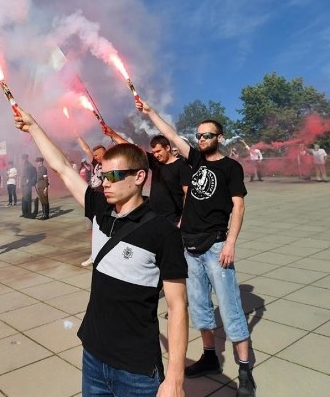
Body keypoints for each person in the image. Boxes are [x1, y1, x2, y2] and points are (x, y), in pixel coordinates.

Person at [14, 106, 188, 397]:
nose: (105, 183)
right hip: (93, 356)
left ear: (140, 177)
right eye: (104, 175)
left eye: (115, 175)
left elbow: (177, 307)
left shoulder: (163, 232)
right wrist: (33, 126)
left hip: (136, 370)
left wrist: (175, 380)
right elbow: (62, 167)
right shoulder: (100, 211)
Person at [138, 100, 257, 397]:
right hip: (189, 246)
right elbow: (173, 134)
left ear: (219, 137)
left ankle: (244, 370)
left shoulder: (231, 167)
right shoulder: (195, 161)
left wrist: (230, 242)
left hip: (217, 246)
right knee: (201, 307)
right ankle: (209, 357)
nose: (201, 139)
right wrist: (150, 112)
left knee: (230, 308)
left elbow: (238, 206)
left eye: (207, 135)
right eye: (199, 135)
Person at [104, 126, 192, 225]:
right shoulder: (155, 162)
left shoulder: (182, 166)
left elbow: (189, 196)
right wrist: (113, 134)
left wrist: (182, 220)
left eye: (159, 151)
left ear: (167, 148)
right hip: (152, 216)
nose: (156, 155)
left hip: (173, 219)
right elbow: (133, 149)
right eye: (154, 152)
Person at [77, 138, 107, 267]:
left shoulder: (111, 165)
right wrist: (78, 137)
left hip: (104, 200)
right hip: (93, 197)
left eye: (96, 155)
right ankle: (94, 254)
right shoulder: (95, 164)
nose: (94, 157)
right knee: (90, 226)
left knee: (103, 228)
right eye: (94, 155)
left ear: (103, 154)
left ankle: (104, 254)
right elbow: (86, 149)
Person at [20, 153, 38, 218]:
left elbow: (33, 175)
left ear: (27, 158)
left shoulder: (30, 165)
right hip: (23, 184)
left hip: (27, 184)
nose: (23, 160)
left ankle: (28, 212)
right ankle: (24, 212)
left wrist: (30, 182)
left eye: (24, 158)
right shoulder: (22, 165)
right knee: (24, 198)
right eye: (22, 158)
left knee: (28, 198)